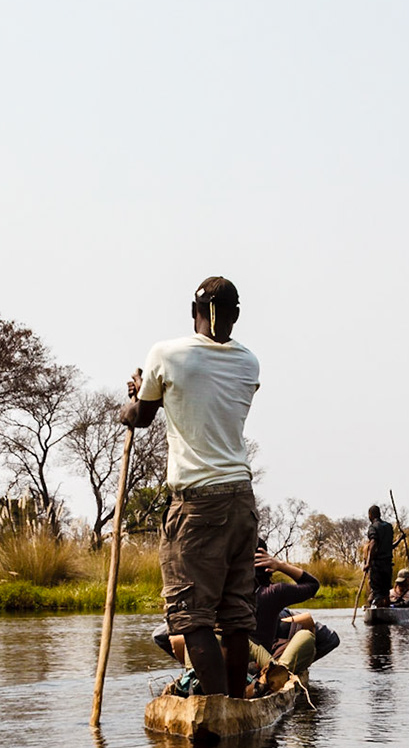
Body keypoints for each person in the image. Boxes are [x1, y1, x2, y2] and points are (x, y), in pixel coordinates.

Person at [119, 276, 260, 698]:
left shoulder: (166, 354)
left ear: (192, 312)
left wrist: (134, 401)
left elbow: (141, 417)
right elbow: (204, 395)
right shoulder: (249, 362)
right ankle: (237, 704)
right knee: (235, 617)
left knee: (192, 618)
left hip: (197, 504)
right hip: (241, 499)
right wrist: (155, 393)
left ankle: (216, 707)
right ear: (235, 316)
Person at [252, 541, 322, 688]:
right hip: (258, 664)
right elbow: (312, 585)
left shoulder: (223, 591)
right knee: (306, 636)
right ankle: (275, 674)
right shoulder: (272, 593)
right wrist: (280, 565)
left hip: (225, 660)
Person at [363, 505, 396, 608]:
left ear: (370, 515)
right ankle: (386, 612)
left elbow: (373, 543)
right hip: (387, 565)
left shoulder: (373, 527)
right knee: (386, 593)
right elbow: (390, 546)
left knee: (377, 592)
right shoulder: (389, 527)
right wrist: (400, 539)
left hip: (377, 566)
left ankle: (378, 613)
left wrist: (368, 563)